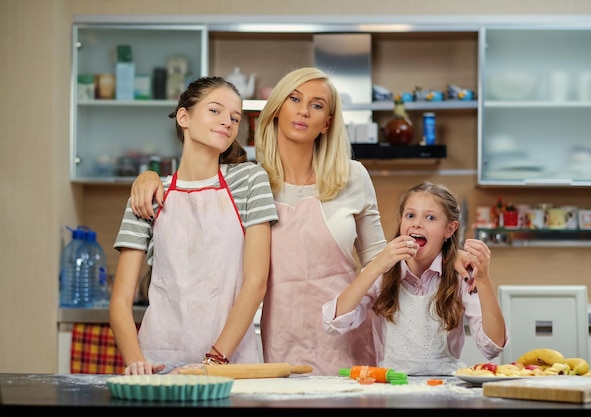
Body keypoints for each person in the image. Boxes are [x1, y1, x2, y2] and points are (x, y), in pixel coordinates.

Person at [128, 67, 474, 376]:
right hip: (279, 334)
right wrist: (149, 176)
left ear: (327, 123)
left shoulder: (352, 176)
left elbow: (379, 259)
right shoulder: (248, 179)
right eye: (294, 98)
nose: (304, 110)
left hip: (346, 331)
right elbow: (193, 178)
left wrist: (445, 255)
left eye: (317, 104)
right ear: (277, 108)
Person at [109, 76, 278, 375]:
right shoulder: (148, 194)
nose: (227, 121)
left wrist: (213, 361)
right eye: (215, 111)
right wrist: (137, 362)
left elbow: (256, 283)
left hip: (228, 363)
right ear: (184, 117)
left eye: (235, 117)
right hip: (158, 359)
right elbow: (121, 300)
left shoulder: (249, 181)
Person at [322, 181, 509, 376]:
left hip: (446, 389)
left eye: (430, 217)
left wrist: (484, 279)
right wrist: (375, 266)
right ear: (400, 221)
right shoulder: (382, 272)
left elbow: (493, 347)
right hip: (391, 388)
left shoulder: (461, 275)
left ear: (450, 229)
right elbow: (333, 323)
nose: (417, 223)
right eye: (410, 215)